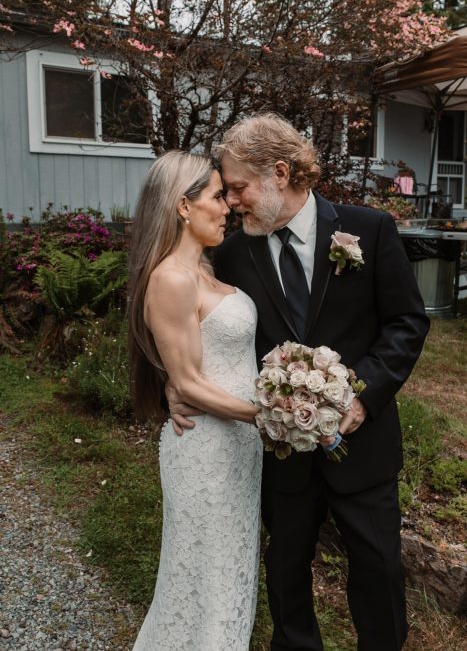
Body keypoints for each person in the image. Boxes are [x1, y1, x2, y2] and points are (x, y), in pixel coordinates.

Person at [171, 113, 430, 651]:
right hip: (280, 453)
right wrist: (177, 379)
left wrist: (363, 396)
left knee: (379, 569)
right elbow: (191, 315)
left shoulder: (369, 228)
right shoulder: (235, 251)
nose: (232, 201)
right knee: (286, 568)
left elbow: (407, 322)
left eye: (238, 187)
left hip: (363, 444)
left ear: (281, 173)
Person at [128, 151, 264, 651]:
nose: (227, 206)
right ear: (183, 207)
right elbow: (185, 383)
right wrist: (269, 417)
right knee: (201, 575)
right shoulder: (170, 278)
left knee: (230, 570)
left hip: (238, 451)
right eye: (215, 197)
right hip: (205, 449)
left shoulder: (206, 267)